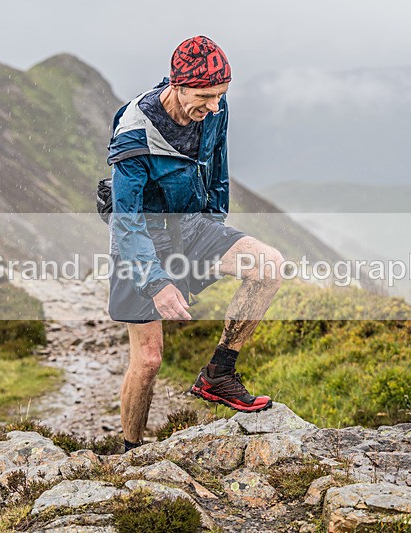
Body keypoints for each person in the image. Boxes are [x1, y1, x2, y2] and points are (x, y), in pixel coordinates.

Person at [106, 36, 284, 452]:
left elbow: (217, 170)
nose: (215, 107)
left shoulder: (213, 111)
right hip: (142, 243)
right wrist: (157, 282)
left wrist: (211, 225)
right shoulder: (134, 134)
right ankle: (131, 451)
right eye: (205, 97)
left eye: (221, 96)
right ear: (177, 85)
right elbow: (126, 221)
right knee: (148, 361)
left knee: (269, 266)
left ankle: (219, 374)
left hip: (191, 228)